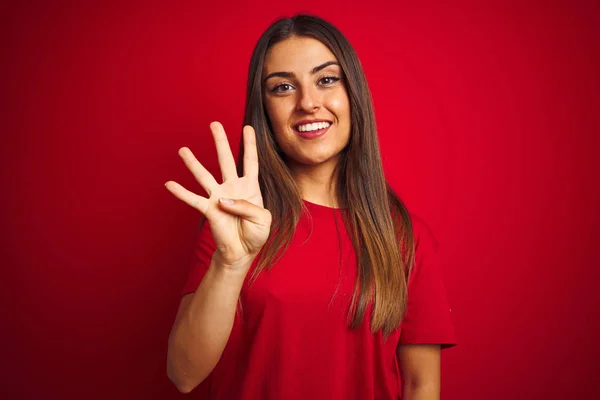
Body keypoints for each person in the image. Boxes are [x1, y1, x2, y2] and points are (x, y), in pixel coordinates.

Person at [164, 14, 456, 400]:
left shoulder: (405, 235)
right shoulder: (233, 226)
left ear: (353, 93)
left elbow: (421, 386)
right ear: (264, 109)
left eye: (326, 79)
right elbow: (183, 374)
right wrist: (230, 262)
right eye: (283, 87)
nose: (307, 103)